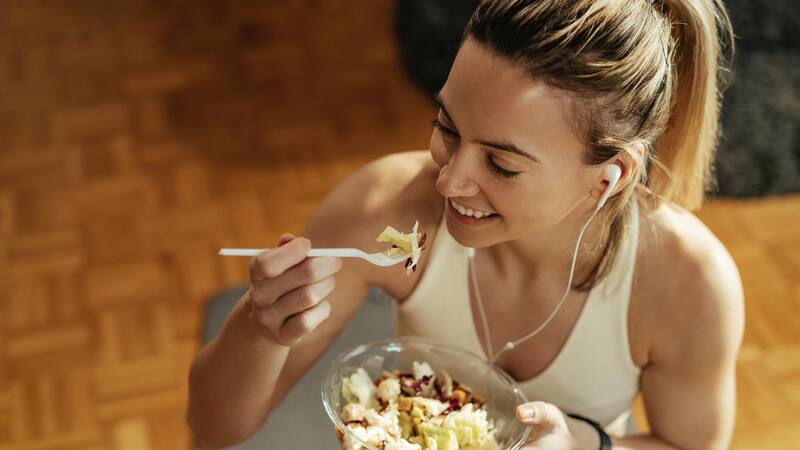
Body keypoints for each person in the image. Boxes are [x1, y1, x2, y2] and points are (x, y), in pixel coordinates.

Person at [187, 0, 744, 448]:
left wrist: (583, 444)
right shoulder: (382, 207)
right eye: (447, 127)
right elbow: (214, 429)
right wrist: (259, 331)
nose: (449, 181)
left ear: (609, 176)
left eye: (501, 164)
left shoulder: (688, 282)